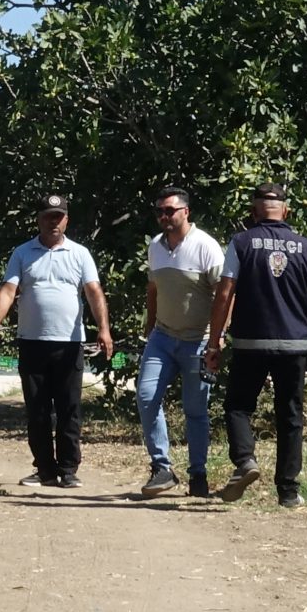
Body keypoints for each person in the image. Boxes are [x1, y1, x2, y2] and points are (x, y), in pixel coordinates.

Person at [204, 183, 307, 508]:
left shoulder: (241, 242)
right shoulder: (306, 247)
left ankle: (246, 460)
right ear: (286, 212)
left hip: (251, 342)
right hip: (295, 344)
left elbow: (225, 293)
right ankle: (288, 491)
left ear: (253, 213)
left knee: (237, 406)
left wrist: (215, 339)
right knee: (290, 416)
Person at [0, 194, 111, 489]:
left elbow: (94, 292)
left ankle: (68, 469)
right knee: (37, 410)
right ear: (38, 219)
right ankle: (44, 469)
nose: (53, 222)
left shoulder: (79, 254)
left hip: (69, 342)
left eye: (58, 216)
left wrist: (103, 329)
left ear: (66, 219)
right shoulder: (23, 253)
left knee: (69, 408)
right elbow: (7, 291)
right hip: (32, 342)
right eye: (47, 216)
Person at [134, 185, 224, 498]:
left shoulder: (205, 246)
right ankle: (161, 468)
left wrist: (217, 337)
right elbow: (154, 290)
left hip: (198, 341)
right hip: (162, 336)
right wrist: (150, 324)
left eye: (169, 210)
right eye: (159, 211)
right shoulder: (156, 247)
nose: (163, 216)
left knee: (195, 410)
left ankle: (198, 475)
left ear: (186, 211)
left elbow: (226, 293)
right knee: (146, 397)